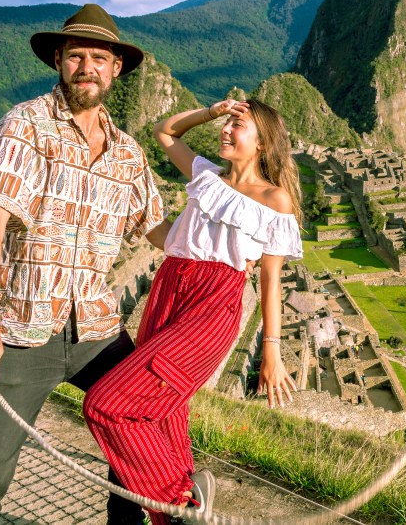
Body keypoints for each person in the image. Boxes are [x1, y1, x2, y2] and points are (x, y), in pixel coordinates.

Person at [0, 4, 167, 525]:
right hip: (23, 331)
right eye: (76, 56)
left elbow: (160, 230)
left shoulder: (128, 156)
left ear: (116, 67)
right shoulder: (26, 126)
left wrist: (236, 231)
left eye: (98, 57)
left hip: (96, 329)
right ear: (58, 61)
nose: (87, 66)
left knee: (141, 442)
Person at [83, 97, 303, 525]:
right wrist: (212, 111)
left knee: (107, 403)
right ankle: (174, 516)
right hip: (169, 289)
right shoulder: (207, 175)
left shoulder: (275, 200)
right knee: (162, 409)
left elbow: (270, 279)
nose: (226, 130)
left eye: (238, 125)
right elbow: (165, 132)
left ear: (262, 143)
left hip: (213, 302)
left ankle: (185, 504)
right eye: (228, 123)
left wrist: (271, 351)